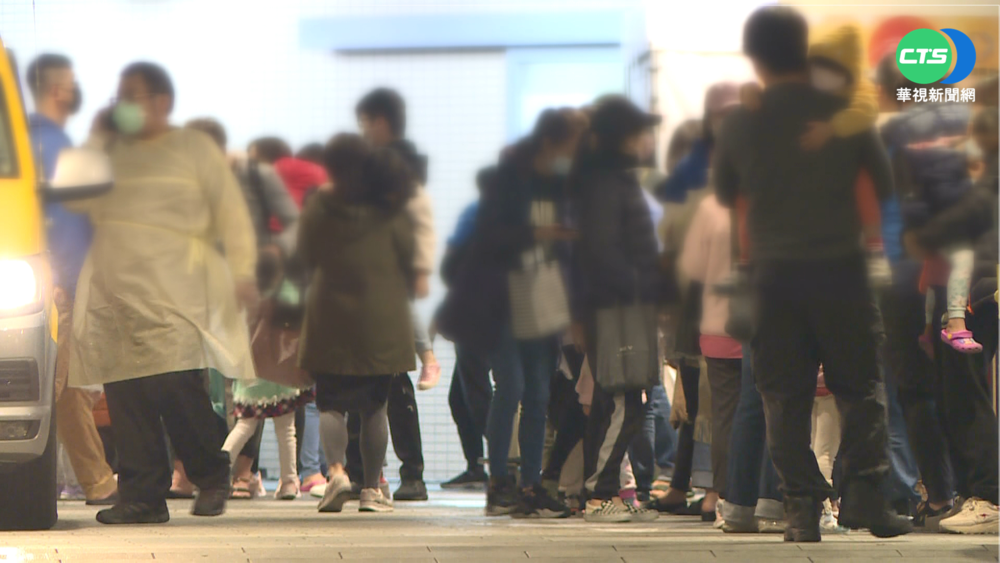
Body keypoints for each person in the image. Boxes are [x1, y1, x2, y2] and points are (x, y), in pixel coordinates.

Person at [714, 7, 911, 541]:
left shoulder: (738, 123)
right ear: (804, 50)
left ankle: (801, 510)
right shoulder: (844, 114)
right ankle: (866, 497)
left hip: (773, 278)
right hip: (841, 272)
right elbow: (884, 188)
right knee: (861, 389)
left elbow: (728, 195)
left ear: (753, 57)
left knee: (784, 400)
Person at [68, 62, 258, 524]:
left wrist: (243, 270)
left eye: (133, 97)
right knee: (127, 392)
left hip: (174, 291)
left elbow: (230, 211)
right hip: (116, 292)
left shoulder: (191, 148)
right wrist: (95, 137)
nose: (125, 108)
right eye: (120, 99)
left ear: (162, 102)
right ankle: (142, 496)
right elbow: (73, 196)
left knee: (175, 385)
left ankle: (211, 474)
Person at [876, 54, 995, 534]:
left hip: (943, 276)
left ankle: (975, 494)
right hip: (936, 275)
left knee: (949, 388)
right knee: (948, 387)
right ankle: (961, 494)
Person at [469, 108, 581, 518]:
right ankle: (499, 481)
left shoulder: (561, 187)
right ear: (553, 142)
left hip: (546, 297)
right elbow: (489, 236)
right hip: (504, 298)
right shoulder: (508, 181)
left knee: (538, 392)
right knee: (511, 386)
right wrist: (539, 233)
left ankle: (531, 485)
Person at [298, 134, 416, 514]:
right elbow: (408, 256)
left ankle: (336, 474)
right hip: (380, 318)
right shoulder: (389, 206)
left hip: (330, 316)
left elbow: (304, 255)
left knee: (330, 402)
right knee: (374, 408)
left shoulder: (320, 204)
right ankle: (370, 489)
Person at [26, 54, 119, 507]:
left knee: (66, 384)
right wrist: (62, 277)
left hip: (54, 279)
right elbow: (59, 222)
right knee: (66, 385)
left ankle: (98, 479)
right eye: (72, 82)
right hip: (60, 282)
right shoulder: (53, 146)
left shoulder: (38, 142)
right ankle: (98, 480)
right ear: (58, 89)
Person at [902, 105, 1000, 534]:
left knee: (967, 395)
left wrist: (956, 314)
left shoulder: (978, 189)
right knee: (961, 394)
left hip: (975, 295)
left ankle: (988, 495)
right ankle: (977, 492)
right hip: (964, 295)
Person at [570, 96, 662, 524]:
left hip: (619, 305)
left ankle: (610, 493)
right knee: (626, 401)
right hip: (619, 307)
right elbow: (605, 252)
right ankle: (598, 493)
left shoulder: (607, 181)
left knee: (619, 401)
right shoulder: (607, 184)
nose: (646, 140)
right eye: (638, 132)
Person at [355, 87, 436, 501]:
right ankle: (368, 474)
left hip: (386, 282)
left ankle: (411, 473)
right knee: (363, 379)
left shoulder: (401, 165)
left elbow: (412, 221)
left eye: (367, 122)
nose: (363, 130)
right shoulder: (377, 164)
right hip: (365, 282)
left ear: (382, 121)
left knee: (393, 381)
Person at [679, 190, 742, 524]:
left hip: (718, 326)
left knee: (724, 418)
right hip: (769, 327)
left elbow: (692, 267)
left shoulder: (709, 206)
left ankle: (727, 501)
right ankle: (765, 497)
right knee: (770, 414)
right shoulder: (771, 195)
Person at [439, 167, 496, 490]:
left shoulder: (475, 213)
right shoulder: (512, 218)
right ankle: (477, 465)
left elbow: (450, 264)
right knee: (460, 397)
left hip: (475, 315)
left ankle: (500, 462)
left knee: (476, 395)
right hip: (496, 316)